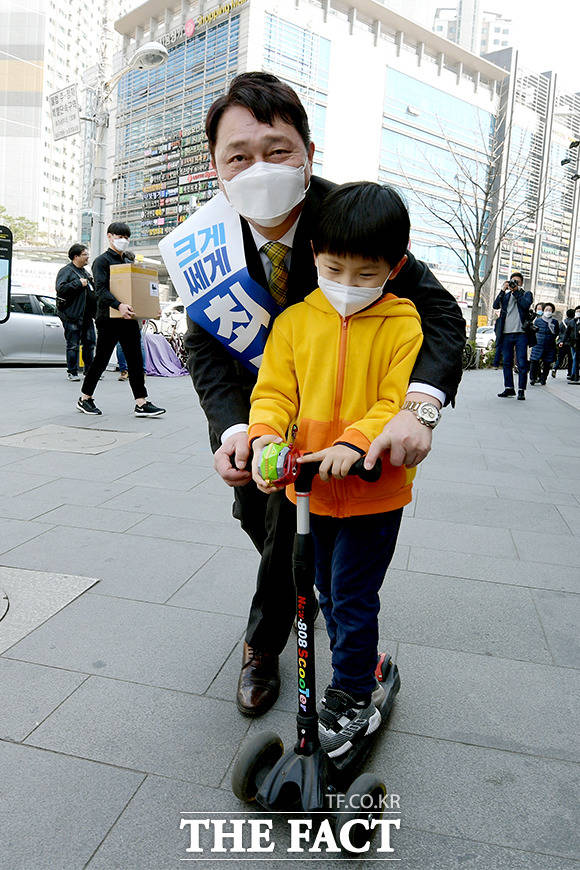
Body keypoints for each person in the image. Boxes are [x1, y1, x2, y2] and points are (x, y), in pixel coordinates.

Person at [184, 72, 465, 717]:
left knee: (306, 549)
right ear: (216, 167)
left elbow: (441, 315)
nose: (259, 167)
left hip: (352, 431)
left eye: (277, 149)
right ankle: (314, 622)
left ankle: (269, 645)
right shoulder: (203, 245)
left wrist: (419, 407)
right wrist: (234, 431)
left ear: (309, 151)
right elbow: (205, 345)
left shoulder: (352, 218)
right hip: (269, 421)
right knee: (268, 526)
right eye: (239, 155)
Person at [248, 182, 423, 754]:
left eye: (366, 274)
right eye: (333, 268)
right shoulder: (296, 321)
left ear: (394, 268)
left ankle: (352, 692)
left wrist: (355, 441)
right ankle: (363, 660)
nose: (347, 286)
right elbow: (274, 391)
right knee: (321, 587)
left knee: (350, 594)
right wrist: (267, 438)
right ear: (316, 255)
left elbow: (393, 401)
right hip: (311, 493)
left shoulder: (404, 324)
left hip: (375, 491)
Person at [77, 222, 165, 418]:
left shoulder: (128, 261)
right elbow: (100, 290)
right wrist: (119, 305)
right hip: (109, 318)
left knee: (135, 360)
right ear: (109, 236)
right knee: (101, 360)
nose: (123, 240)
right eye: (119, 236)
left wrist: (149, 309)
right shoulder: (101, 261)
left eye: (126, 237)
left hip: (128, 318)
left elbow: (136, 290)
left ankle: (141, 403)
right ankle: (85, 398)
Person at [55, 244, 96, 381]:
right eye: (85, 254)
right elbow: (60, 289)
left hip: (87, 316)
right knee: (73, 345)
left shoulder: (85, 272)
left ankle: (89, 371)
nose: (87, 257)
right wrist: (78, 283)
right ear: (76, 256)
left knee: (90, 343)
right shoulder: (66, 271)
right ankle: (72, 372)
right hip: (72, 315)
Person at [493, 272, 533, 400]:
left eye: (517, 281)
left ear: (521, 283)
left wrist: (516, 292)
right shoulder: (506, 296)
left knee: (521, 362)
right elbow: (495, 305)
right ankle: (509, 388)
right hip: (506, 333)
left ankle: (521, 390)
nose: (514, 283)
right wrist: (502, 290)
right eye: (512, 281)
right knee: (506, 362)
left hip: (521, 333)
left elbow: (525, 305)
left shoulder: (526, 294)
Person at [529, 303, 558, 385]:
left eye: (550, 310)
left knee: (547, 363)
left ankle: (543, 378)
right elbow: (533, 331)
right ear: (543, 310)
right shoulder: (538, 321)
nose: (548, 312)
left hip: (549, 346)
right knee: (534, 361)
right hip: (537, 344)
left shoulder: (554, 322)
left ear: (552, 311)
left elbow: (556, 332)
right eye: (546, 310)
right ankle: (533, 378)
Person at [553, 309, 576, 380]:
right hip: (570, 343)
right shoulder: (574, 322)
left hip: (562, 343)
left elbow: (558, 331)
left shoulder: (563, 322)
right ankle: (569, 373)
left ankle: (555, 368)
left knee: (560, 358)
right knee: (571, 359)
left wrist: (560, 340)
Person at [563, 306, 580, 384]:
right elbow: (567, 333)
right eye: (577, 311)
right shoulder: (572, 322)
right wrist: (562, 341)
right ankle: (574, 375)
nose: (578, 313)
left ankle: (574, 376)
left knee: (575, 358)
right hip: (572, 343)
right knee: (575, 359)